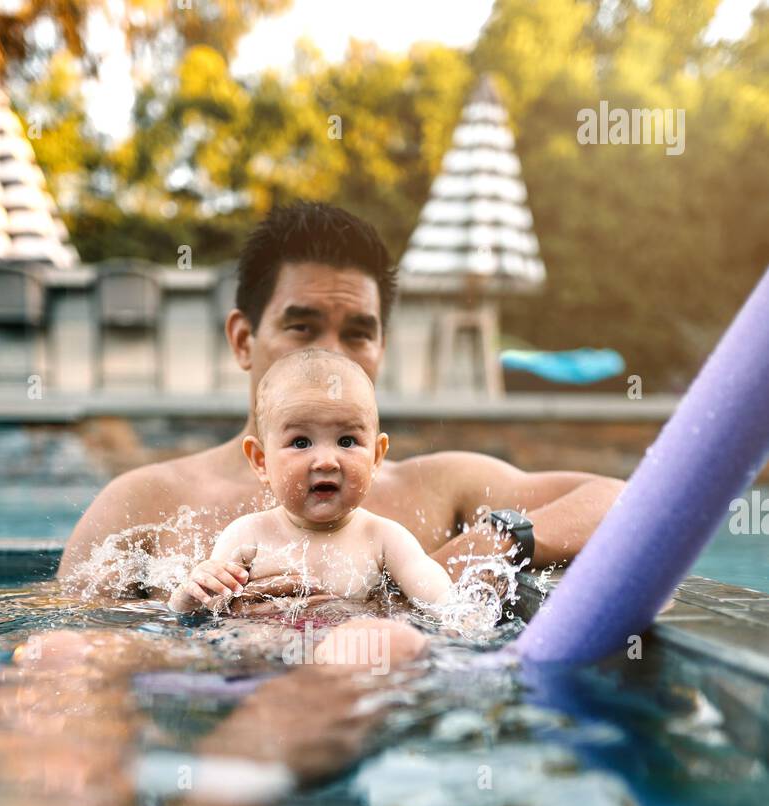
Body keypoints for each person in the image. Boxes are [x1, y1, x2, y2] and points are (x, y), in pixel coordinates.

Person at [58, 201, 623, 598]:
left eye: (358, 333)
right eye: (302, 327)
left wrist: (495, 542)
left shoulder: (440, 488)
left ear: (382, 346)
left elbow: (622, 499)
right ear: (242, 339)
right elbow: (65, 654)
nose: (334, 357)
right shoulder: (145, 504)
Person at [168, 349, 456, 618]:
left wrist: (460, 618)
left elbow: (445, 605)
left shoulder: (384, 539)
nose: (326, 461)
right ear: (260, 460)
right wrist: (188, 596)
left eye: (347, 441)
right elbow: (201, 613)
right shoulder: (247, 536)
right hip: (262, 665)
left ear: (376, 457)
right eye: (301, 442)